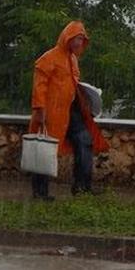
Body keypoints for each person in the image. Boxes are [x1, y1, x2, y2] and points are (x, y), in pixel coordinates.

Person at [28, 20, 109, 200]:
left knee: (85, 141)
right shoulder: (48, 58)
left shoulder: (73, 59)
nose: (79, 42)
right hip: (50, 113)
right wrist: (40, 110)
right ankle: (40, 193)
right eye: (76, 38)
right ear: (67, 38)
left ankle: (82, 187)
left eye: (82, 39)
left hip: (71, 112)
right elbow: (39, 86)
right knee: (44, 150)